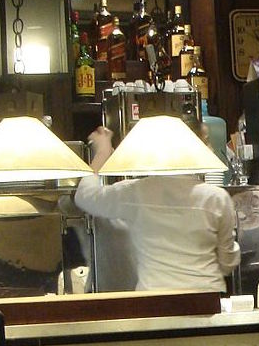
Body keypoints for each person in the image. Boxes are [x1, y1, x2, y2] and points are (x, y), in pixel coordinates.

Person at [74, 125, 239, 293]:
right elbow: (228, 263)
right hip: (206, 300)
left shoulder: (138, 192)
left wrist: (102, 153)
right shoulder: (217, 198)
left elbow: (85, 196)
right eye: (206, 141)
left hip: (154, 301)